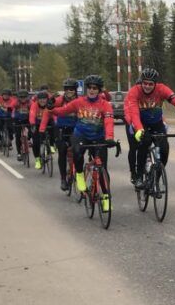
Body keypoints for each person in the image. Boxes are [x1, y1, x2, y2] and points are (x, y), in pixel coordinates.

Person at [48, 75, 116, 211]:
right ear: (86, 89)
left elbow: (109, 121)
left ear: (99, 90)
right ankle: (79, 174)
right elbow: (63, 111)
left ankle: (106, 198)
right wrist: (52, 109)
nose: (92, 90)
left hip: (99, 136)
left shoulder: (105, 104)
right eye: (89, 88)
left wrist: (109, 137)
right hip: (81, 134)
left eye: (95, 88)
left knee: (103, 168)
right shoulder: (79, 102)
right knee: (77, 152)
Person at [123, 67, 175, 187]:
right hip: (141, 123)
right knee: (143, 144)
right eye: (145, 83)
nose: (147, 86)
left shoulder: (162, 89)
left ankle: (155, 179)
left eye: (150, 84)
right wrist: (139, 128)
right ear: (141, 82)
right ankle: (138, 175)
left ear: (155, 84)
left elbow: (174, 98)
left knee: (164, 149)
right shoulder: (134, 91)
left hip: (156, 123)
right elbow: (133, 113)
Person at [40, 79, 79, 191]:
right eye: (66, 89)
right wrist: (42, 128)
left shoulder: (80, 100)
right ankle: (63, 179)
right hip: (61, 129)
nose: (69, 91)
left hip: (76, 129)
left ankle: (77, 171)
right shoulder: (60, 100)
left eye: (71, 89)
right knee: (62, 152)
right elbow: (48, 110)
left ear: (75, 90)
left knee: (78, 151)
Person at [29, 90, 55, 170]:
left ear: (47, 99)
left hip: (48, 122)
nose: (42, 100)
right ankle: (37, 159)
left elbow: (55, 114)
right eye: (40, 99)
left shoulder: (49, 105)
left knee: (54, 129)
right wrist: (32, 124)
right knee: (36, 142)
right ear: (37, 100)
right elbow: (32, 115)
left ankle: (51, 145)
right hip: (37, 124)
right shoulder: (34, 105)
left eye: (44, 99)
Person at [9, 90, 31, 161]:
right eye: (21, 97)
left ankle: (28, 140)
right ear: (18, 98)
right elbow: (11, 106)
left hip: (27, 120)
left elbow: (34, 108)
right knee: (18, 136)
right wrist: (10, 109)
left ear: (27, 97)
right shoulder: (16, 102)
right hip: (17, 120)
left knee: (31, 132)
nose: (23, 99)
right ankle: (19, 153)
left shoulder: (30, 103)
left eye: (24, 97)